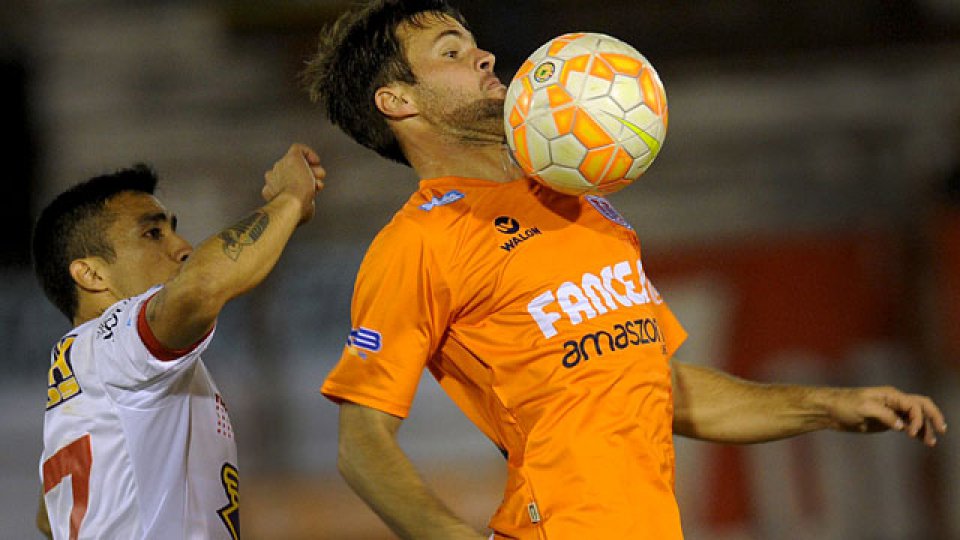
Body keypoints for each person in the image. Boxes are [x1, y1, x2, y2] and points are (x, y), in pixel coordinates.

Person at [302, 2, 948, 539]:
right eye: (450, 51)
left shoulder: (582, 205)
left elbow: (661, 386)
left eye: (473, 44)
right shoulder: (420, 241)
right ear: (396, 100)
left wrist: (830, 405)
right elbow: (362, 443)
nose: (485, 56)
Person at [32, 144, 324, 539]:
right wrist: (290, 198)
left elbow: (50, 518)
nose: (183, 247)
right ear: (92, 275)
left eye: (171, 228)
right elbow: (200, 288)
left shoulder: (81, 365)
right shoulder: (118, 344)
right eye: (152, 233)